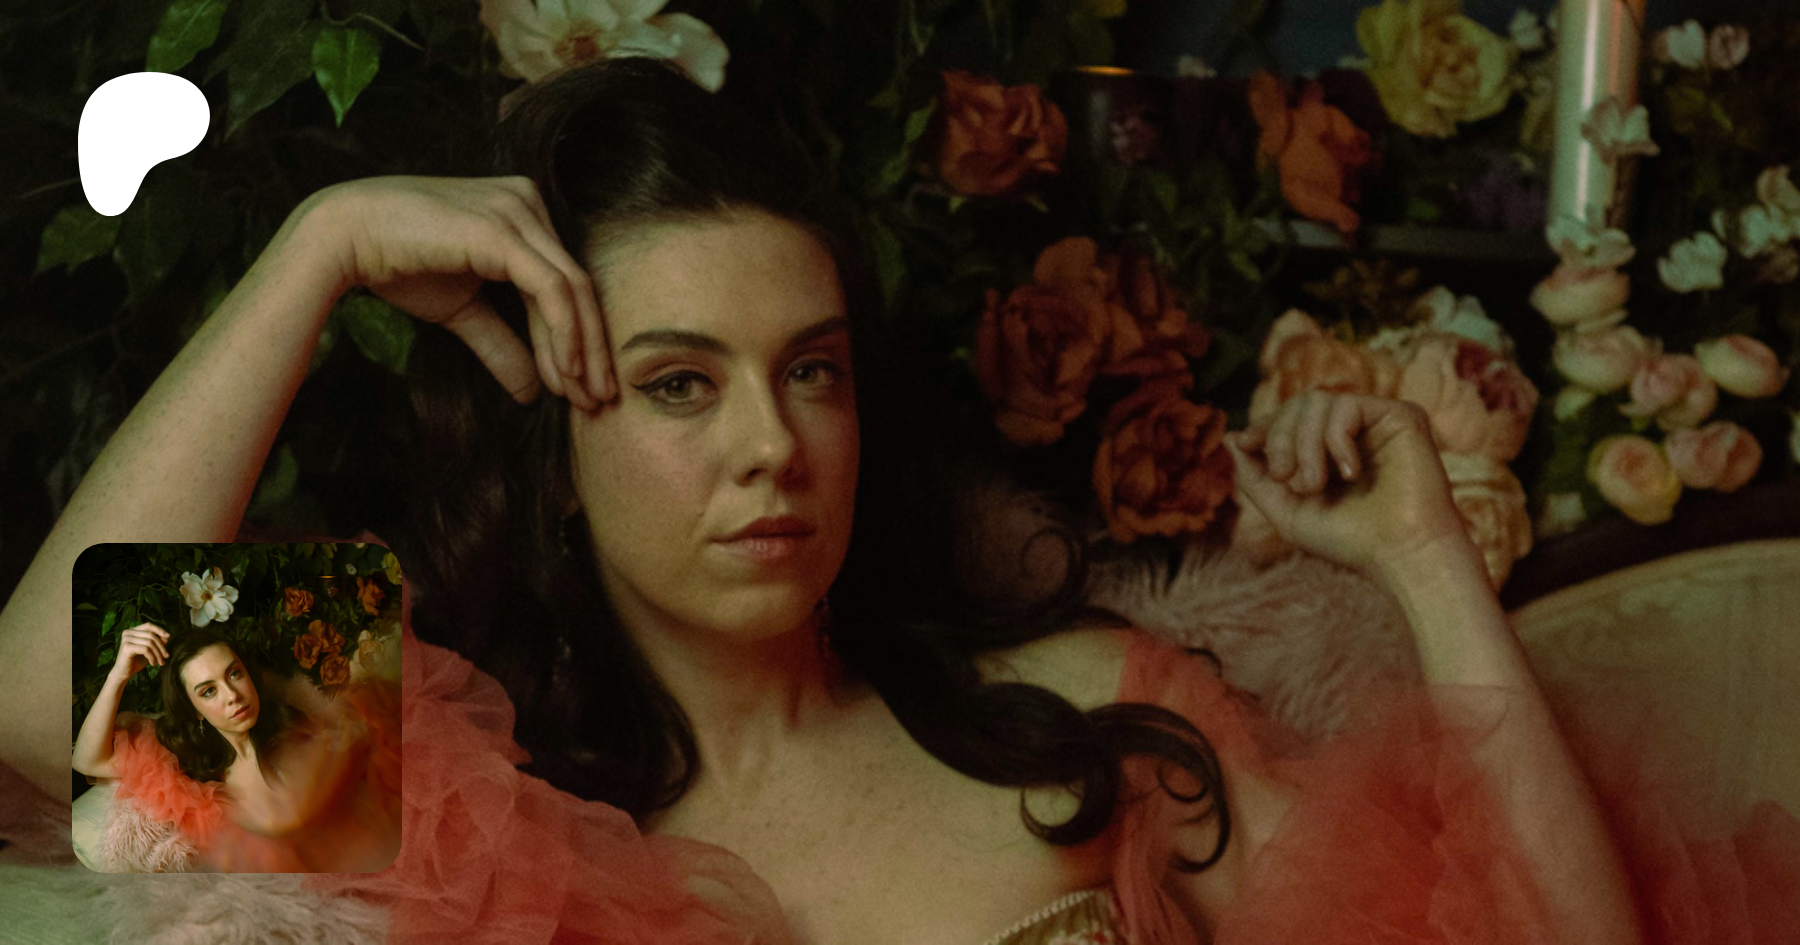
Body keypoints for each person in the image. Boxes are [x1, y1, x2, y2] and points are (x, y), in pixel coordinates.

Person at [0, 57, 1793, 942]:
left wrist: (1421, 558)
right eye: (681, 384)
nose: (774, 446)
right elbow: (34, 700)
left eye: (813, 370)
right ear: (554, 438)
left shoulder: (1083, 719)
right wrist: (318, 253)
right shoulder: (473, 788)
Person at [69, 622, 400, 873]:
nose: (233, 696)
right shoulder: (191, 770)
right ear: (195, 710)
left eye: (234, 674)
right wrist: (119, 674)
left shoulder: (297, 729)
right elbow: (86, 760)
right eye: (208, 691)